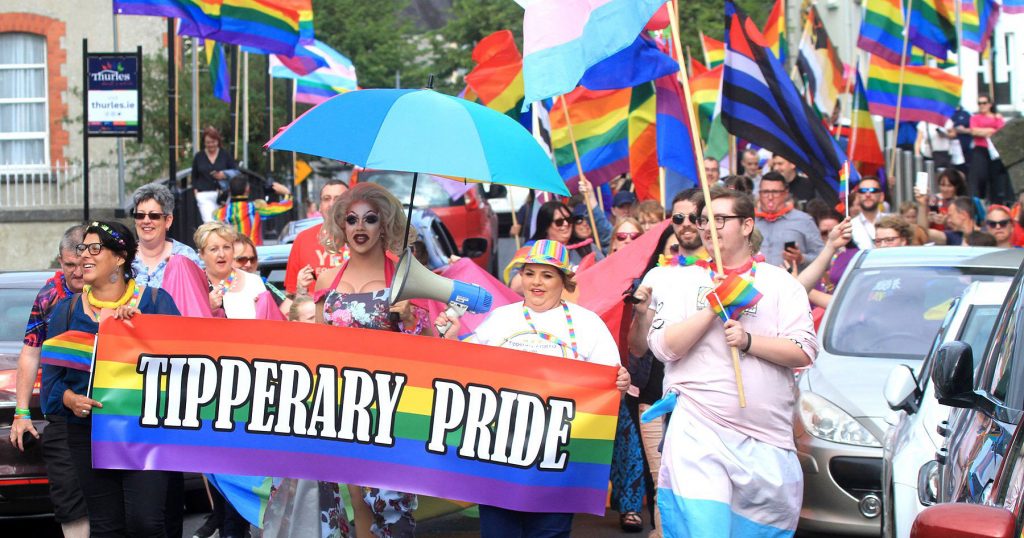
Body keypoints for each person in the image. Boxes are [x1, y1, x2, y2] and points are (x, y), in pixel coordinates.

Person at [643, 187, 817, 537]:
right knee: (704, 530)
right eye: (704, 220)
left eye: (720, 219)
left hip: (767, 440)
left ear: (747, 225)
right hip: (698, 430)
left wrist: (749, 341)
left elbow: (804, 351)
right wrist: (712, 308)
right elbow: (663, 348)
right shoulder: (678, 280)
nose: (709, 227)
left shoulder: (780, 283)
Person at [437, 239, 630, 538]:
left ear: (564, 281)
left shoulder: (588, 324)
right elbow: (466, 370)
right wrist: (449, 339)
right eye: (529, 273)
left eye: (547, 275)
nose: (536, 282)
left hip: (557, 459)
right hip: (500, 458)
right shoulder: (501, 318)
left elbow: (609, 387)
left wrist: (620, 383)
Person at [46, 221, 183, 537]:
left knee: (146, 523)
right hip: (88, 434)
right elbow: (52, 384)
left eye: (95, 248)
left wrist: (144, 329)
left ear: (120, 257)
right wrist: (70, 399)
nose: (84, 256)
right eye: (83, 248)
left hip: (146, 432)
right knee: (106, 527)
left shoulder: (156, 302)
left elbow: (184, 367)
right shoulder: (66, 312)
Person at [314, 182, 424, 538]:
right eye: (352, 219)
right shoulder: (327, 279)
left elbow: (434, 350)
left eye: (370, 219)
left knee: (390, 503)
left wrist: (411, 319)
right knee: (354, 498)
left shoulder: (406, 278)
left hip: (389, 404)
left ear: (385, 226)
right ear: (341, 226)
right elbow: (313, 349)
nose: (360, 227)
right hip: (339, 402)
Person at [9, 225, 88, 538]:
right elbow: (30, 352)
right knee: (69, 497)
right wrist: (21, 412)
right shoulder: (49, 296)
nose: (77, 273)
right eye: (69, 265)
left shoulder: (117, 292)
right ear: (60, 260)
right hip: (61, 413)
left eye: (83, 265)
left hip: (109, 411)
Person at [131, 183, 204, 289]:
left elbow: (197, 294)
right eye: (140, 215)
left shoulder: (186, 256)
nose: (146, 221)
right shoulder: (122, 257)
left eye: (154, 215)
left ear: (168, 221)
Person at [284, 180, 349, 296]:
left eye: (339, 199)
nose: (332, 204)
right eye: (326, 199)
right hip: (313, 307)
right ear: (320, 207)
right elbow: (291, 295)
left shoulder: (364, 239)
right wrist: (301, 290)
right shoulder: (303, 239)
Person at [195, 222, 267, 320]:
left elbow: (267, 322)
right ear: (201, 254)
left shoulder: (254, 281)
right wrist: (207, 307)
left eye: (226, 247)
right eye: (214, 249)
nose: (221, 254)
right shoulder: (194, 284)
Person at [754, 172, 824, 267]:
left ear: (785, 193)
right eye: (765, 192)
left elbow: (823, 258)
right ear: (759, 193)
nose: (770, 197)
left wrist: (802, 259)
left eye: (775, 192)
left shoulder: (804, 220)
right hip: (754, 276)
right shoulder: (749, 222)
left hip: (793, 276)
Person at [215, 174, 293, 246]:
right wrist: (287, 193)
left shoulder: (219, 213)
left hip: (232, 253)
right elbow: (284, 206)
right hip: (253, 252)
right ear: (247, 189)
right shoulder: (255, 208)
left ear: (230, 191)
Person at [191, 126, 237, 222]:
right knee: (209, 223)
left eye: (213, 142)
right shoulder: (199, 156)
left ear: (218, 141)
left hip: (223, 195)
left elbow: (235, 171)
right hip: (204, 195)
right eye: (208, 142)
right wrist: (195, 191)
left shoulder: (225, 155)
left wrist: (224, 175)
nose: (211, 145)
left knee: (222, 223)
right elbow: (194, 175)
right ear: (204, 142)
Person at [968, 95, 1007, 202]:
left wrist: (983, 131)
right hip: (980, 149)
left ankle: (996, 201)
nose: (982, 105)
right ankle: (980, 199)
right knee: (980, 176)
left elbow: (1001, 131)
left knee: (995, 178)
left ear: (990, 104)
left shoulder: (997, 118)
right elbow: (974, 131)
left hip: (995, 151)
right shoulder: (975, 118)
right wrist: (991, 130)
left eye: (984, 103)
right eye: (979, 103)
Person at [668, 188, 709, 259]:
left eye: (694, 217)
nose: (686, 224)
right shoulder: (661, 266)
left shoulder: (721, 264)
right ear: (671, 222)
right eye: (678, 218)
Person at [849, 177, 888, 250]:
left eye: (873, 190)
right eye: (863, 191)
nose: (867, 194)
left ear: (881, 196)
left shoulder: (893, 223)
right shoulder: (849, 227)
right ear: (857, 196)